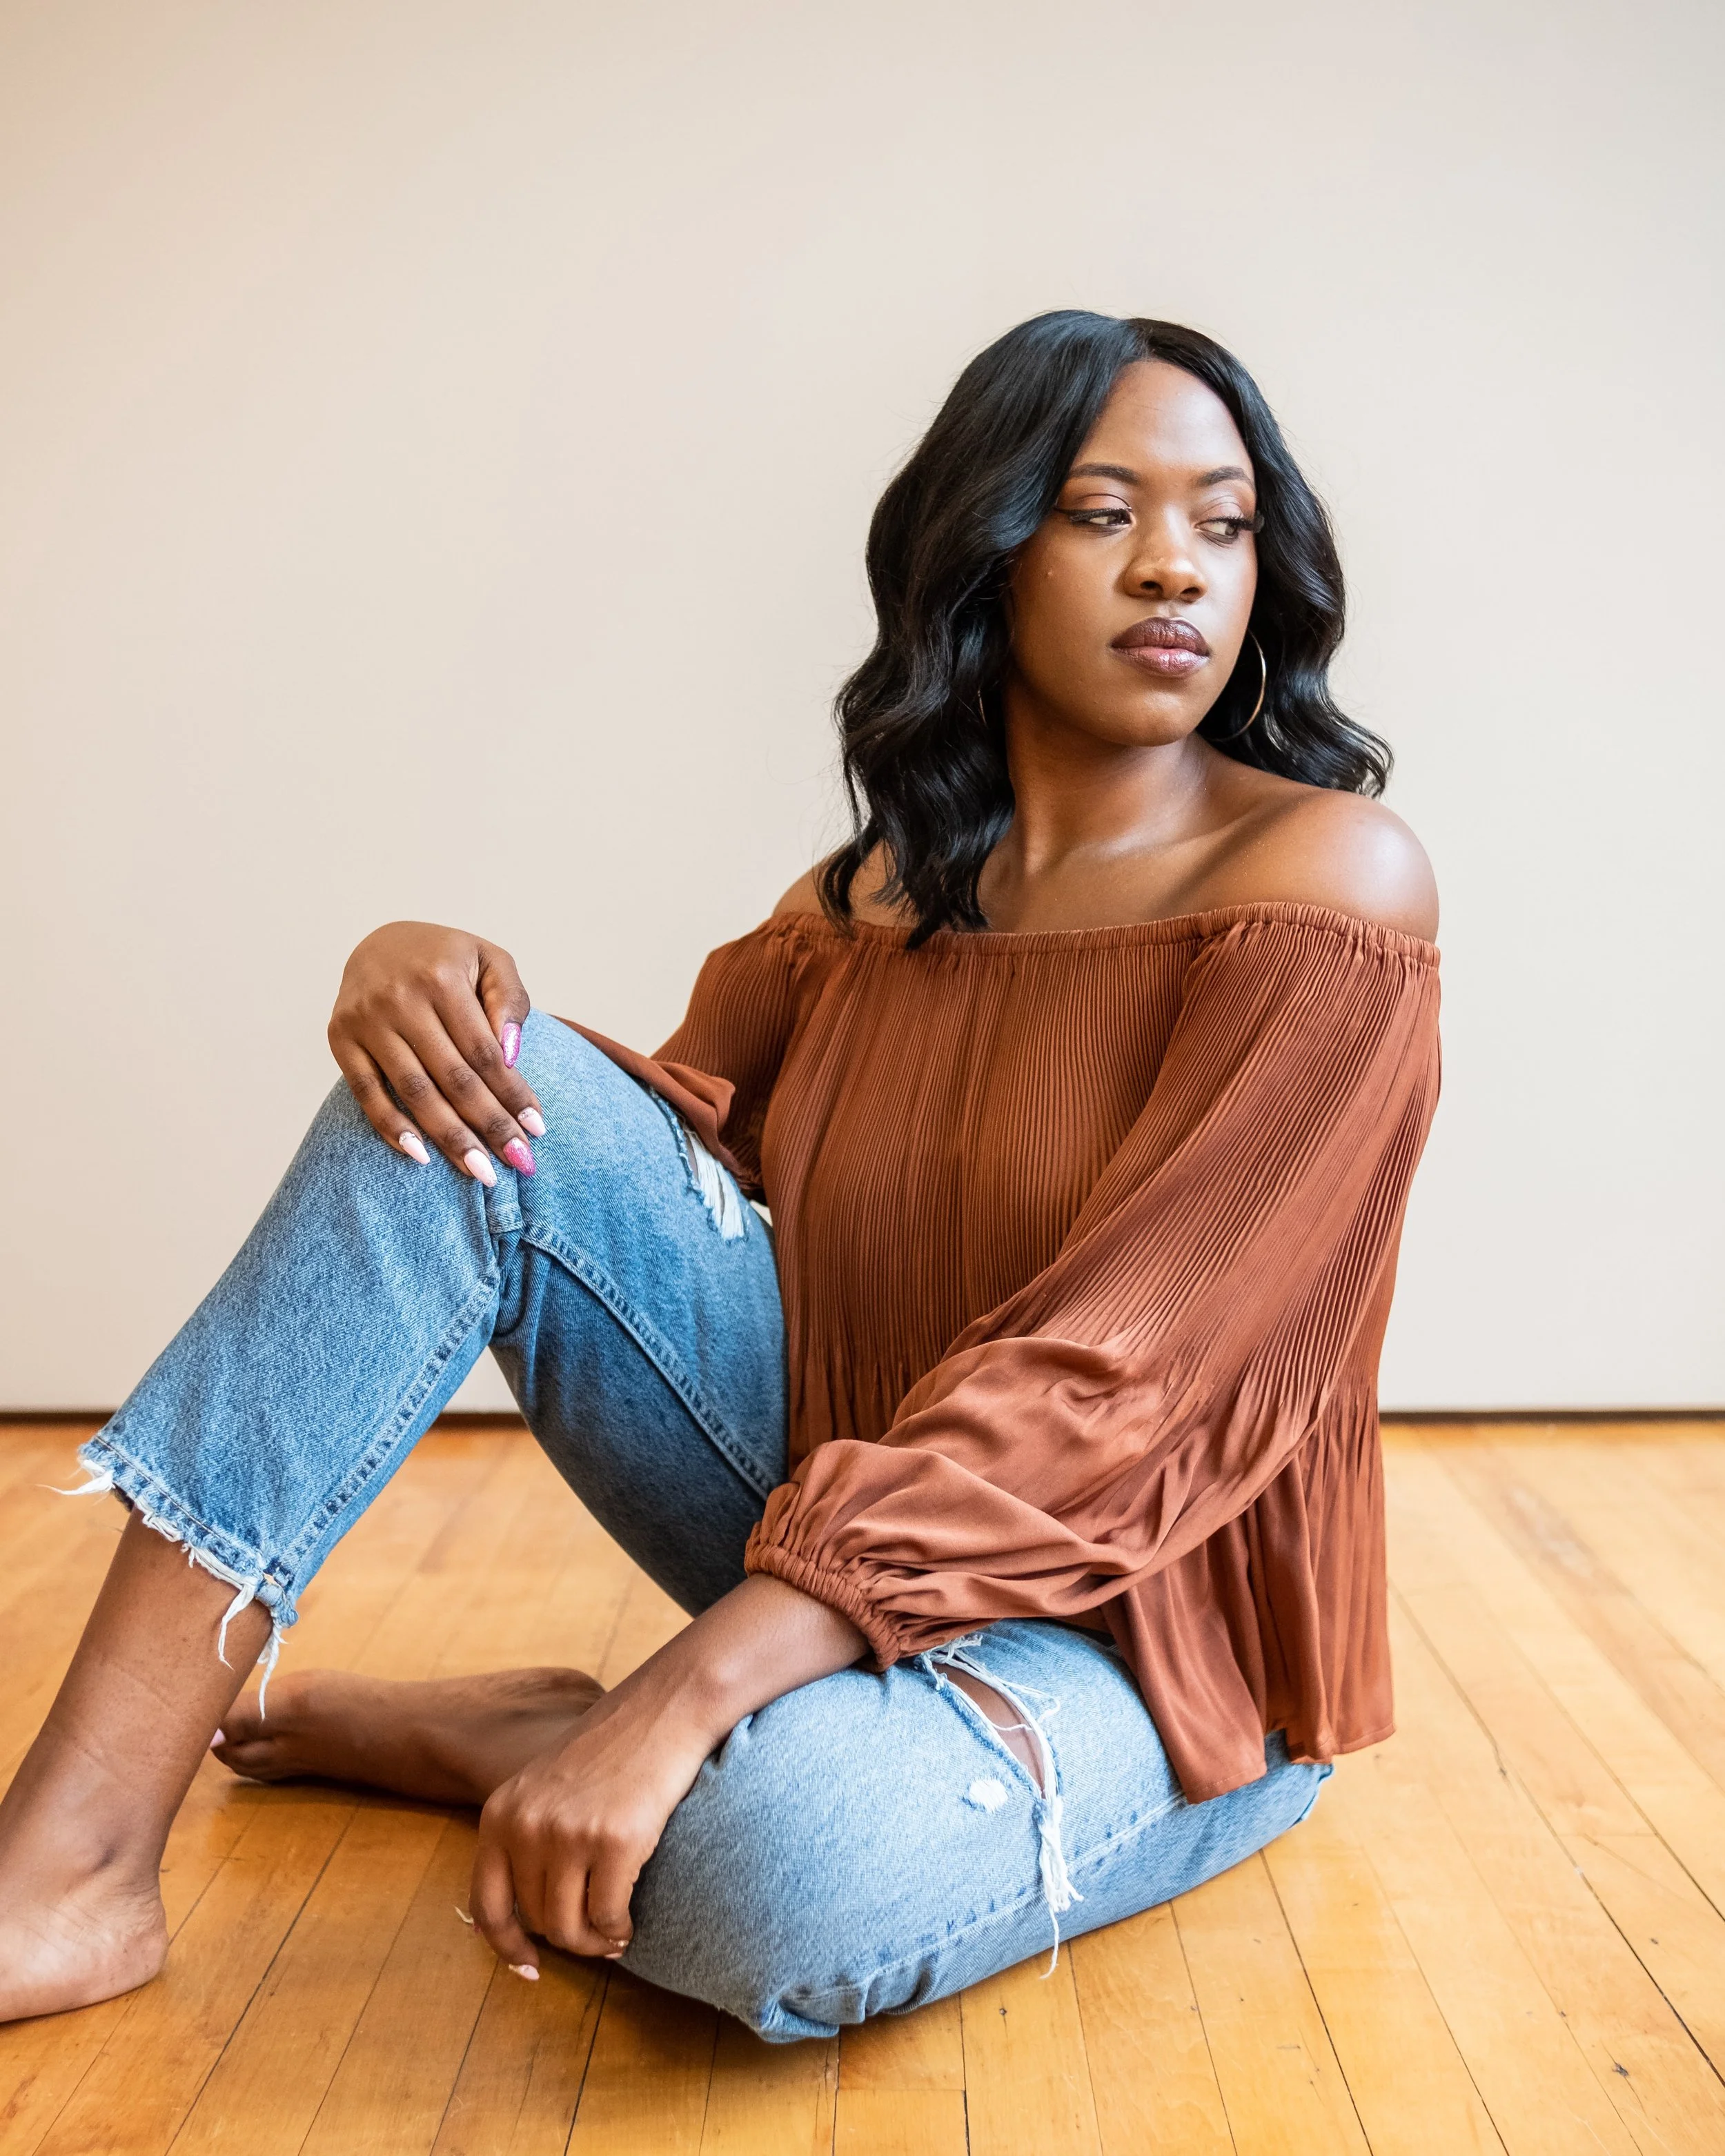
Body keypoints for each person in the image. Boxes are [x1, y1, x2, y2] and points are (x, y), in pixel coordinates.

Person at [0, 311, 1440, 2039]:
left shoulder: (1328, 884)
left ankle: (554, 1734)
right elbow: (610, 1161)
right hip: (859, 1554)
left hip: (1148, 1647)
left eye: (1222, 522)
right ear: (983, 551)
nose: (1173, 569)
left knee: (766, 1874)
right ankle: (72, 1863)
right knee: (465, 1096)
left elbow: (1131, 1383)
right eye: (1099, 511)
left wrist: (677, 1691)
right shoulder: (869, 901)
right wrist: (417, 973)